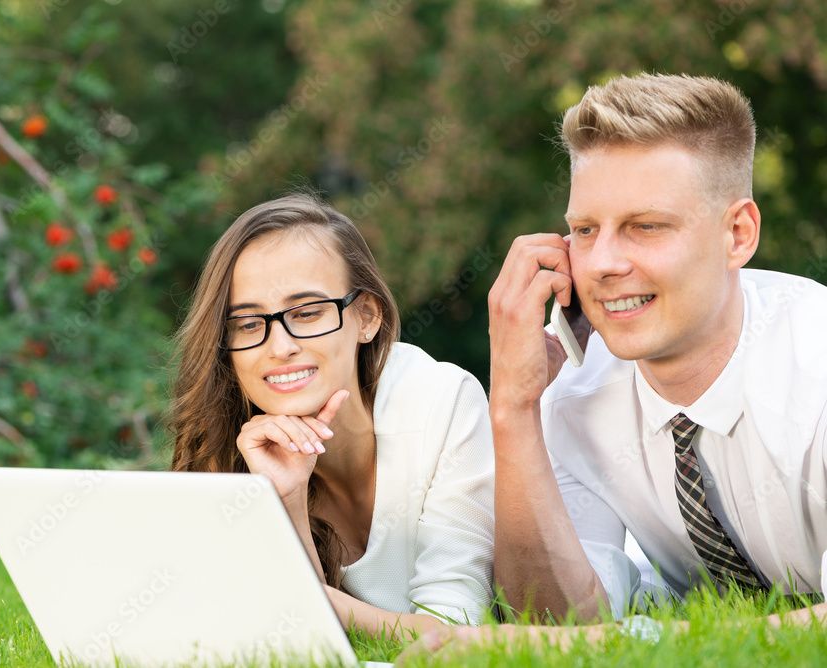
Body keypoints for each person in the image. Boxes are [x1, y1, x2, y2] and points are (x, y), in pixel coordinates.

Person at [485, 72, 827, 625]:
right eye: (586, 230)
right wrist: (512, 407)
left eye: (645, 226)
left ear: (737, 233)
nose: (601, 265)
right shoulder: (571, 389)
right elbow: (554, 624)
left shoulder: (817, 365)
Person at [169, 193, 497, 637]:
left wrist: (312, 600)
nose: (279, 347)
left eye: (306, 313)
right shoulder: (230, 449)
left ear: (367, 316)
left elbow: (457, 628)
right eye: (248, 323)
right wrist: (286, 497)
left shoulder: (441, 401)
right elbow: (293, 642)